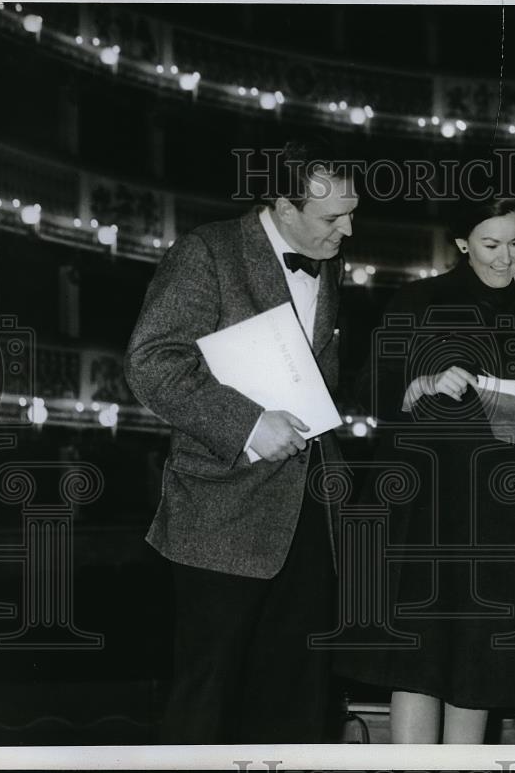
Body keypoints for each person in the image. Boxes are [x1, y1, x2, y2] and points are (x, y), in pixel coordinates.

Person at [124, 138, 358, 744]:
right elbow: (151, 363)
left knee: (299, 697)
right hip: (220, 517)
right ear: (284, 207)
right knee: (208, 701)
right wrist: (250, 424)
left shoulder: (330, 260)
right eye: (333, 217)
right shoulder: (207, 252)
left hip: (309, 519)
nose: (349, 229)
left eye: (351, 212)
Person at [334, 197, 515, 743]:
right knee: (419, 660)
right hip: (424, 512)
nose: (508, 258)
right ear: (462, 243)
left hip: (499, 513)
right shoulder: (418, 299)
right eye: (491, 244)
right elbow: (369, 389)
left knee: (478, 666)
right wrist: (420, 383)